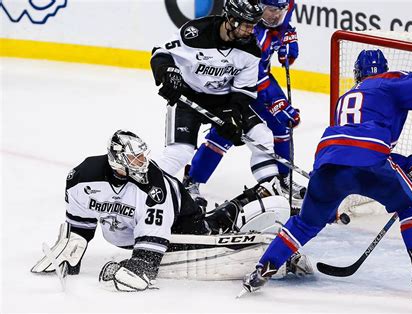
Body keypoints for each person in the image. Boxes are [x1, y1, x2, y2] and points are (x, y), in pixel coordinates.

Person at [240, 50, 412, 299]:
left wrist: (410, 167)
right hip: (369, 161)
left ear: (357, 74)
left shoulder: (345, 98)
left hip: (327, 165)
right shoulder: (388, 82)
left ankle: (259, 273)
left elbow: (352, 148)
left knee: (305, 223)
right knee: (410, 203)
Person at [31, 130, 313, 292]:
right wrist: (75, 244)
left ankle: (251, 197)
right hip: (130, 229)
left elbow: (147, 257)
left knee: (209, 230)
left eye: (143, 156)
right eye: (134, 158)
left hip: (181, 218)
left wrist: (137, 267)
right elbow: (80, 220)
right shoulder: (82, 178)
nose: (142, 163)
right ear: (117, 159)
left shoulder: (154, 187)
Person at [150, 0, 281, 197]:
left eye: (253, 25)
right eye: (246, 25)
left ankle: (269, 189)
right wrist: (169, 74)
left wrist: (232, 115)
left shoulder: (251, 50)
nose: (251, 31)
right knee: (180, 152)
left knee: (262, 136)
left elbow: (243, 91)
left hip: (225, 101)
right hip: (190, 97)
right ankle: (143, 189)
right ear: (231, 20)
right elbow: (161, 54)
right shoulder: (196, 32)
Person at [183, 0, 307, 209]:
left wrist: (288, 39)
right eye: (271, 10)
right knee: (224, 132)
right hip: (235, 88)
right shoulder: (249, 31)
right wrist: (276, 103)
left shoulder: (281, 11)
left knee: (281, 125)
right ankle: (192, 180)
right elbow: (252, 78)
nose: (277, 15)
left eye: (280, 10)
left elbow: (286, 18)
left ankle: (284, 179)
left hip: (263, 80)